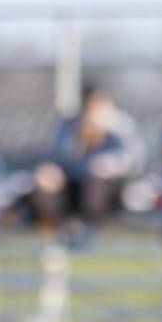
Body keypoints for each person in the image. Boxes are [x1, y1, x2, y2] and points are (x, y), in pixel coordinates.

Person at [34, 84, 144, 229]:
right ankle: (53, 228)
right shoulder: (70, 122)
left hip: (108, 185)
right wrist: (79, 140)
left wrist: (111, 164)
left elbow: (134, 157)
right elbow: (57, 154)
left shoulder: (119, 124)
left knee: (97, 174)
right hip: (72, 180)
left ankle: (91, 225)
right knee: (46, 177)